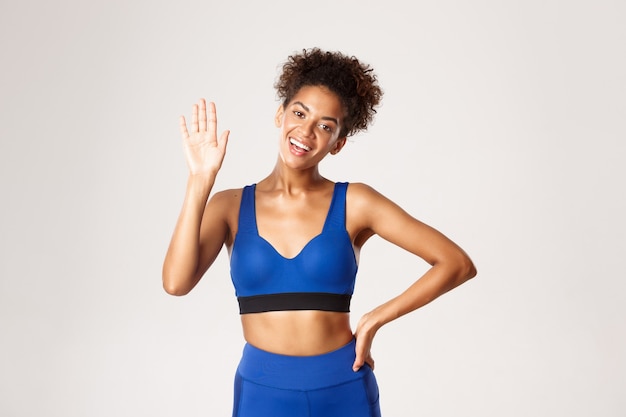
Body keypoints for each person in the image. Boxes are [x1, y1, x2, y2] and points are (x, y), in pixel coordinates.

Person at [163, 47, 477, 417]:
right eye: (299, 113)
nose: (306, 132)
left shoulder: (356, 202)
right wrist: (200, 182)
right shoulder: (229, 205)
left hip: (343, 387)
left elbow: (456, 263)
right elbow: (176, 283)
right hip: (262, 391)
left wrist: (374, 318)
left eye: (325, 126)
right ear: (280, 114)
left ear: (338, 143)